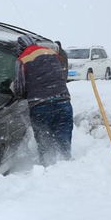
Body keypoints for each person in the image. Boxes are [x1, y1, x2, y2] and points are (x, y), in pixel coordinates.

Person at [13, 34, 73, 165]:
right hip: (63, 101)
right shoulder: (51, 53)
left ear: (20, 48)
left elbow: (19, 87)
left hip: (40, 105)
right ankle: (67, 167)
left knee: (44, 141)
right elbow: (61, 75)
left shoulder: (22, 59)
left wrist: (18, 92)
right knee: (63, 139)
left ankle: (47, 171)